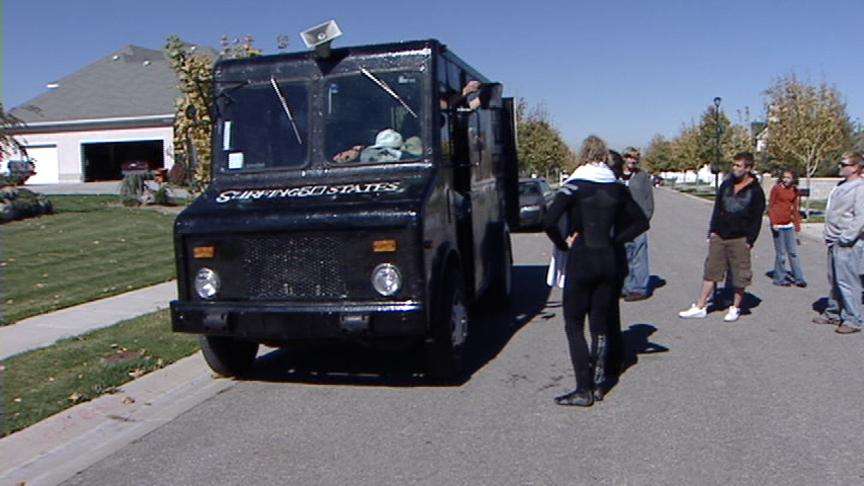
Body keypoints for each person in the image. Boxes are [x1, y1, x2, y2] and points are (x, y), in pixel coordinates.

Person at [544, 135, 649, 407]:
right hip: (609, 259)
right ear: (605, 156)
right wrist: (615, 240)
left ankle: (583, 389)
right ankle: (600, 384)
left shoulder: (574, 187)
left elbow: (549, 221)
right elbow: (640, 222)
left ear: (583, 154)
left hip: (582, 258)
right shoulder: (617, 187)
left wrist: (563, 244)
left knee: (574, 325)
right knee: (600, 326)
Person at [678, 152, 766, 322]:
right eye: (734, 165)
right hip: (719, 235)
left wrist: (750, 240)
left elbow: (756, 219)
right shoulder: (726, 185)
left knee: (740, 274)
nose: (735, 168)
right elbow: (717, 209)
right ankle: (701, 306)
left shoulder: (755, 191)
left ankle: (735, 307)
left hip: (740, 238)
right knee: (711, 271)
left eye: (739, 166)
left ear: (748, 168)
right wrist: (712, 231)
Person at [812, 151, 864, 334]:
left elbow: (860, 218)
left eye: (845, 164)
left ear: (856, 167)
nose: (840, 167)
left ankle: (853, 319)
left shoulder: (860, 188)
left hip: (848, 243)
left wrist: (846, 238)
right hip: (834, 240)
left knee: (848, 282)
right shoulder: (841, 185)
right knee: (834, 280)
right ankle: (833, 312)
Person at [620, 147, 654, 301]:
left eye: (635, 158)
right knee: (623, 256)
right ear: (624, 158)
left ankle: (638, 288)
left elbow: (648, 200)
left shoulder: (642, 176)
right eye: (629, 157)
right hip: (620, 224)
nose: (632, 161)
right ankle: (624, 286)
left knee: (639, 256)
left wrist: (645, 219)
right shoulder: (615, 176)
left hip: (638, 223)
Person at [768, 169, 806, 287]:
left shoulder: (795, 191)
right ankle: (779, 278)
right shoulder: (777, 189)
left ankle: (799, 278)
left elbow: (795, 209)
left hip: (789, 225)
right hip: (778, 224)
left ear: (793, 179)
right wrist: (773, 222)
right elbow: (771, 206)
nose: (786, 180)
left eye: (788, 178)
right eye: (784, 177)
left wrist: (797, 226)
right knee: (781, 254)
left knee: (793, 252)